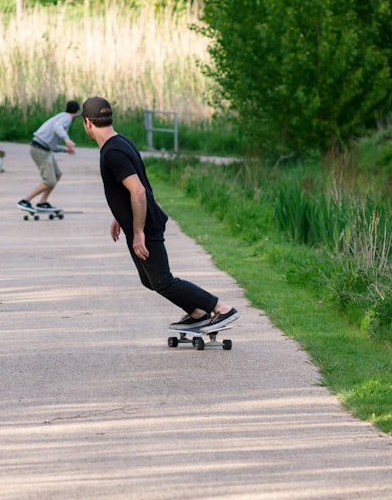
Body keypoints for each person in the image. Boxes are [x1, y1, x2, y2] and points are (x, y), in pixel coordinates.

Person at [80, 96, 239, 332]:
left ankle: (221, 308)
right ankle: (197, 313)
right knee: (149, 280)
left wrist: (137, 232)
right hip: (141, 220)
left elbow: (139, 191)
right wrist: (119, 215)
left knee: (163, 281)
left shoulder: (112, 153)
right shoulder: (122, 142)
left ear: (88, 123)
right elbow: (133, 188)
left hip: (146, 225)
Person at [17, 101, 80, 212]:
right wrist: (67, 139)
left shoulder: (60, 116)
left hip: (43, 148)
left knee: (57, 175)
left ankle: (43, 202)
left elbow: (52, 145)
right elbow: (57, 127)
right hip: (39, 150)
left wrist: (66, 150)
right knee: (49, 181)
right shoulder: (67, 118)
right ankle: (25, 201)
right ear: (76, 113)